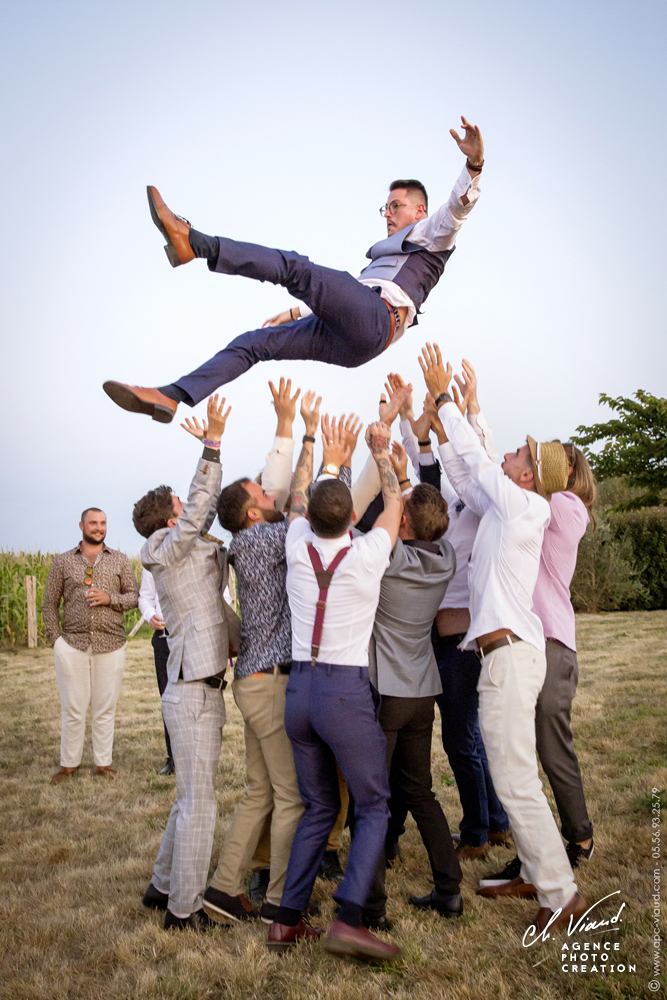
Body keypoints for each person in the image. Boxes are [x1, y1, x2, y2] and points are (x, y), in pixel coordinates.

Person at [101, 118, 483, 422]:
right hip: (355, 335)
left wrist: (474, 165)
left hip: (375, 322)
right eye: (384, 207)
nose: (387, 214)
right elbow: (356, 295)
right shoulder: (386, 258)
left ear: (419, 210)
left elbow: (457, 209)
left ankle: (193, 242)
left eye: (395, 206)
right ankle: (171, 395)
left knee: (294, 267)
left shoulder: (434, 233)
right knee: (256, 342)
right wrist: (296, 313)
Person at [419, 342, 588, 935]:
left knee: (514, 778)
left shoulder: (524, 509)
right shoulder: (503, 507)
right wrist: (446, 418)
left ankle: (560, 894)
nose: (511, 451)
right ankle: (546, 878)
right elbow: (466, 470)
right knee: (515, 777)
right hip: (504, 657)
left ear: (527, 475)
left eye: (519, 452)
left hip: (511, 657)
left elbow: (479, 460)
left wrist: (447, 399)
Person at [267, 415, 403, 962]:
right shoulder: (369, 553)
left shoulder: (295, 544)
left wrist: (320, 450)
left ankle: (285, 920)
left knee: (318, 806)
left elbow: (299, 493)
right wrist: (380, 449)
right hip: (344, 691)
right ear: (352, 516)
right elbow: (394, 503)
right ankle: (349, 919)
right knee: (372, 805)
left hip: (298, 693)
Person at [134, 394, 241, 932]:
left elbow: (218, 609)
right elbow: (202, 507)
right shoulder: (162, 548)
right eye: (181, 505)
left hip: (202, 686)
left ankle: (160, 886)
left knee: (188, 800)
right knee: (201, 806)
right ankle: (184, 910)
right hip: (193, 688)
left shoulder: (187, 554)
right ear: (169, 519)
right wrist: (212, 445)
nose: (189, 509)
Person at [396, 369, 510, 860]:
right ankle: (498, 822)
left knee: (462, 741)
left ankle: (478, 833)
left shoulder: (481, 510)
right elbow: (422, 477)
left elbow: (478, 460)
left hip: (462, 645)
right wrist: (408, 422)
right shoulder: (447, 510)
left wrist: (470, 409)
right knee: (470, 738)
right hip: (442, 643)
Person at [479, 444, 596, 893]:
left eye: (543, 459)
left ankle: (579, 837)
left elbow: (527, 504)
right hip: (530, 638)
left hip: (552, 641)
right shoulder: (535, 504)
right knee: (523, 752)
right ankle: (535, 856)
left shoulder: (567, 505)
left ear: (565, 470)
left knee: (549, 744)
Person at [363, 448, 463, 927]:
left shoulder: (391, 559)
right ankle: (450, 889)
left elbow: (391, 504)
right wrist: (405, 475)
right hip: (425, 691)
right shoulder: (445, 556)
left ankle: (372, 906)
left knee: (375, 800)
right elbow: (418, 512)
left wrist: (383, 455)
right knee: (421, 792)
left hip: (388, 692)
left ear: (403, 526)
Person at [42, 508, 139, 784]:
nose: (99, 527)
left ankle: (103, 763)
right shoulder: (63, 562)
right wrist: (56, 640)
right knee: (73, 708)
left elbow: (134, 597)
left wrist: (110, 599)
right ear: (82, 525)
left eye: (103, 523)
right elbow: (49, 603)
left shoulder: (119, 560)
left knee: (104, 707)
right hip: (72, 643)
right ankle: (68, 765)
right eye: (93, 523)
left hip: (111, 643)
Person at [138, 566, 174, 775]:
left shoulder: (205, 550)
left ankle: (199, 756)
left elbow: (223, 595)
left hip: (196, 635)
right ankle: (174, 758)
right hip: (164, 637)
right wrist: (150, 615)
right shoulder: (152, 558)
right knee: (168, 698)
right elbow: (145, 597)